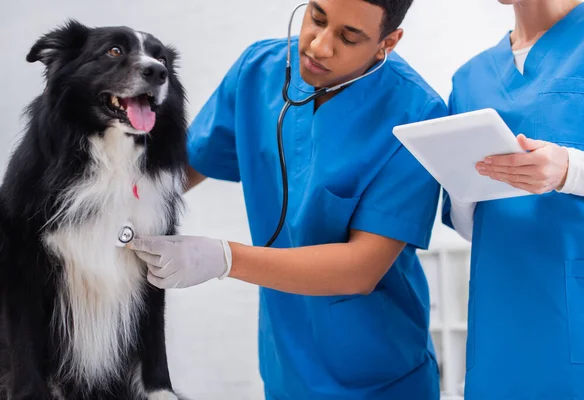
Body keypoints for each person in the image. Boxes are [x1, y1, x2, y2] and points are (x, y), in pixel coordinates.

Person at [128, 0, 448, 398]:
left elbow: (361, 268)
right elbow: (176, 173)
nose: (319, 46)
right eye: (317, 17)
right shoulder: (258, 72)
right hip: (286, 365)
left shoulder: (417, 114)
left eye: (349, 37)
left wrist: (223, 257)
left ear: (388, 42)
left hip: (381, 373)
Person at [442, 0, 584, 398]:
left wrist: (569, 169)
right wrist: (462, 184)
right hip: (500, 326)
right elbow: (469, 228)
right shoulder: (469, 79)